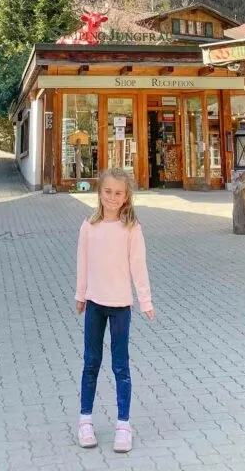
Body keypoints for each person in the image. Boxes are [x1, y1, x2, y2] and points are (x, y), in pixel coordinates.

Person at [75, 168, 155, 454]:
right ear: (99, 193)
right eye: (107, 192)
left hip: (121, 307)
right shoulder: (89, 226)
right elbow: (82, 263)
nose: (112, 197)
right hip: (95, 304)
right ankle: (85, 420)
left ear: (126, 197)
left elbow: (139, 266)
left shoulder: (132, 229)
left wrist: (145, 301)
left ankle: (123, 424)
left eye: (118, 193)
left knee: (120, 366)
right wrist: (80, 295)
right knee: (91, 363)